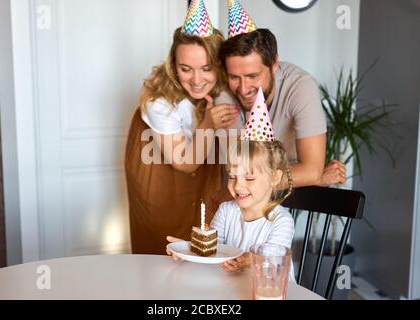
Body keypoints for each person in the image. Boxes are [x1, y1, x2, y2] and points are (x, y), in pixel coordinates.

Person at [206, 0, 346, 214]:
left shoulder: (301, 87)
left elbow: (310, 169)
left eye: (253, 75)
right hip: (236, 206)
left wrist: (311, 173)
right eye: (235, 77)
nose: (243, 88)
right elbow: (241, 171)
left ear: (274, 64)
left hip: (276, 206)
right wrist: (310, 177)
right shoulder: (224, 92)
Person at [125, 0, 240, 254]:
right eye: (186, 69)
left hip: (200, 162)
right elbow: (185, 162)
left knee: (202, 232)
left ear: (219, 66)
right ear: (174, 66)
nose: (197, 80)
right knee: (162, 240)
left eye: (206, 69)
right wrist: (209, 123)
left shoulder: (226, 86)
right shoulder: (159, 101)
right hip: (159, 165)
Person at [167, 88, 295, 277]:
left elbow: (272, 262)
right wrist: (188, 250)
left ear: (274, 178)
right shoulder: (227, 211)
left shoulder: (280, 221)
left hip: (269, 292)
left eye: (249, 178)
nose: (238, 185)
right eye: (232, 176)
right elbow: (213, 250)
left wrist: (248, 261)